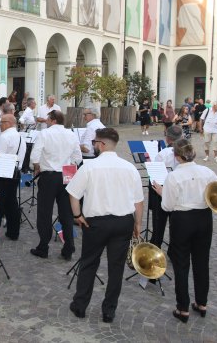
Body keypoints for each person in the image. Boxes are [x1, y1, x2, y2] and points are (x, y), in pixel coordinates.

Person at [67, 128, 144, 323]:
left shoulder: (90, 167)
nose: (93, 145)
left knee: (89, 264)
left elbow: (73, 194)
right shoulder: (129, 168)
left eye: (95, 142)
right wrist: (137, 224)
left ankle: (80, 305)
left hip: (97, 223)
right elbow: (139, 202)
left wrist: (78, 215)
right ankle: (109, 310)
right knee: (116, 268)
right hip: (123, 222)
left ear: (101, 144)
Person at [152, 139, 217, 323]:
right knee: (202, 261)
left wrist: (161, 192)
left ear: (176, 157)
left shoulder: (173, 177)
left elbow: (167, 206)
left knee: (181, 263)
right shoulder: (208, 172)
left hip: (182, 219)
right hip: (204, 218)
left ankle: (183, 307)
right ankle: (202, 303)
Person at [30, 110, 82, 260]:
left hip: (49, 175)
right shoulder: (71, 134)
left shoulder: (45, 134)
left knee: (44, 213)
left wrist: (36, 167)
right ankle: (68, 247)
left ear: (52, 120)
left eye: (47, 118)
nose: (46, 120)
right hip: (67, 174)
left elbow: (35, 155)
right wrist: (68, 165)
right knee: (66, 212)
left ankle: (43, 246)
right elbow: (77, 157)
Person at [0, 114, 26, 241]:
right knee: (12, 203)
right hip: (16, 173)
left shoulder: (4, 137)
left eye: (2, 122)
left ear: (9, 122)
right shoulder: (20, 137)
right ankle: (13, 232)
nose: (0, 124)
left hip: (3, 173)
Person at [149, 125, 183, 249]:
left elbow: (154, 177)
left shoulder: (162, 154)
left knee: (159, 223)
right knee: (176, 224)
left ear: (167, 139)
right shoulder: (186, 152)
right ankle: (174, 249)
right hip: (179, 191)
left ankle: (155, 247)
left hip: (161, 190)